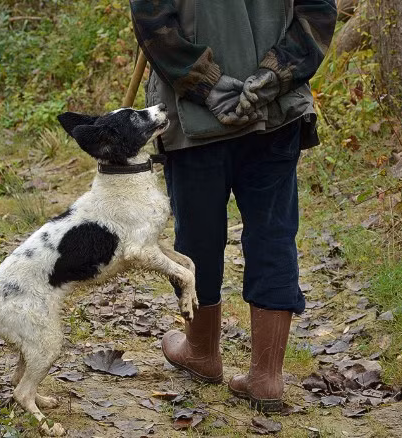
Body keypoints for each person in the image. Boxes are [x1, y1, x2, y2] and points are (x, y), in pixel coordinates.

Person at [130, 0, 337, 412]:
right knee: (273, 233)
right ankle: (267, 378)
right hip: (275, 114)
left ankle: (202, 353)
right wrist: (272, 78)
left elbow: (154, 22)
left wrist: (207, 84)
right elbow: (318, 14)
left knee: (198, 239)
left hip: (193, 122)